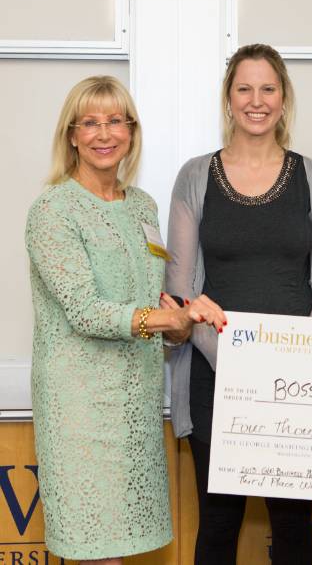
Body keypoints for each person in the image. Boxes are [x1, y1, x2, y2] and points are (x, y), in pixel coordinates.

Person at [25, 76, 226, 564]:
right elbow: (85, 310)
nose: (103, 133)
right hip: (79, 407)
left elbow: (149, 300)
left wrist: (182, 320)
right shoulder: (53, 210)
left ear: (131, 132)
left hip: (134, 405)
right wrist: (170, 316)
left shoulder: (143, 207)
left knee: (119, 552)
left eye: (116, 121)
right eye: (89, 122)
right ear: (71, 135)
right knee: (96, 550)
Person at [165, 44, 312, 564]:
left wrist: (292, 364)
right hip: (214, 377)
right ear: (228, 99)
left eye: (268, 88)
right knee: (218, 523)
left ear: (284, 99)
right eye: (244, 88)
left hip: (296, 384)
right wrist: (241, 366)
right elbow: (180, 290)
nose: (256, 100)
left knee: (292, 525)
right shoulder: (195, 176)